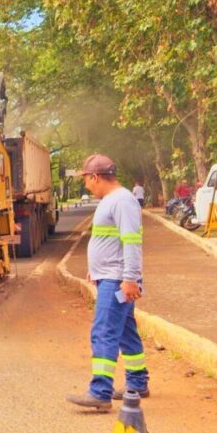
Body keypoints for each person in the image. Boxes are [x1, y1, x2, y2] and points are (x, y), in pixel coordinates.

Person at [67, 154, 148, 412]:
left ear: (95, 177)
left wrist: (130, 279)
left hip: (117, 281)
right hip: (110, 277)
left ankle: (100, 392)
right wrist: (96, 270)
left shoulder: (122, 201)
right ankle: (137, 383)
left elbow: (131, 241)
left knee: (103, 331)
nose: (85, 185)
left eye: (86, 179)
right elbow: (109, 241)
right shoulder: (112, 200)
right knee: (125, 330)